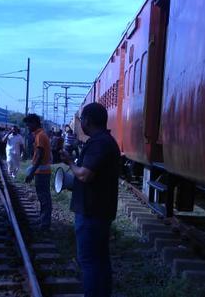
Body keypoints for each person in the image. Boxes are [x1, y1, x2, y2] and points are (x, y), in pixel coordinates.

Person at [60, 102, 120, 297]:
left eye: (82, 120)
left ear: (87, 120)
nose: (81, 124)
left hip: (91, 212)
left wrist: (69, 162)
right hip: (99, 211)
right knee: (100, 261)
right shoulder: (104, 141)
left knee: (89, 262)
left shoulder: (99, 142)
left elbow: (85, 175)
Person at [23, 114, 52, 231]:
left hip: (42, 172)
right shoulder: (40, 134)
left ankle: (45, 224)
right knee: (43, 197)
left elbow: (40, 155)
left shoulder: (40, 136)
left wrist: (31, 173)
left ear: (35, 123)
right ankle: (42, 219)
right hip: (42, 171)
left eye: (29, 124)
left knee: (44, 198)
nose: (28, 126)